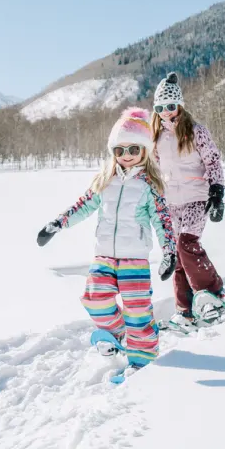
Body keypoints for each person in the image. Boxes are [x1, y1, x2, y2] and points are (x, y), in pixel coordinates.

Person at [36, 107, 177, 382]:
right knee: (95, 299)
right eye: (119, 150)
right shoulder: (105, 181)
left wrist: (169, 252)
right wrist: (57, 223)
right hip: (104, 256)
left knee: (137, 311)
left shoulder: (150, 185)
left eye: (133, 149)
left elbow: (163, 221)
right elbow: (82, 206)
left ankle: (141, 359)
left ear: (145, 150)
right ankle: (120, 334)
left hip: (134, 257)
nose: (126, 156)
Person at [149, 72, 225, 330]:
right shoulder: (156, 138)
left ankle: (214, 292)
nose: (166, 113)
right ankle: (185, 311)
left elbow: (213, 161)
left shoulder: (196, 131)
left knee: (187, 243)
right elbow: (154, 171)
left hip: (196, 197)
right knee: (177, 255)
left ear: (180, 106)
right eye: (160, 108)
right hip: (172, 202)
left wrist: (217, 191)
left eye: (170, 107)